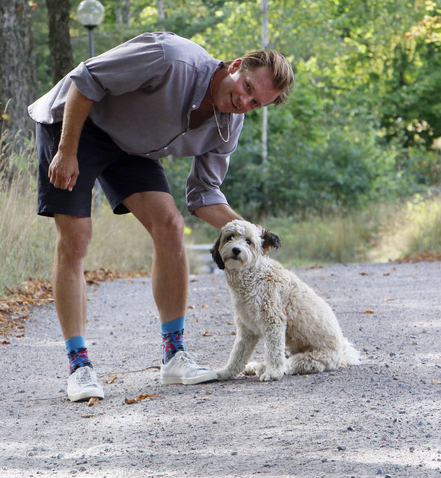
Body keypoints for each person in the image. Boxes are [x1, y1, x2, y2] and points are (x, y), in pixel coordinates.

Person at [28, 30, 295, 402]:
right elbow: (86, 79)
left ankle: (174, 356)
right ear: (236, 66)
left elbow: (204, 196)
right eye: (246, 86)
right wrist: (67, 149)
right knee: (76, 240)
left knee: (170, 226)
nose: (243, 101)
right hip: (75, 124)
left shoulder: (228, 124)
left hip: (131, 147)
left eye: (255, 103)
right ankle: (79, 366)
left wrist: (254, 234)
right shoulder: (170, 57)